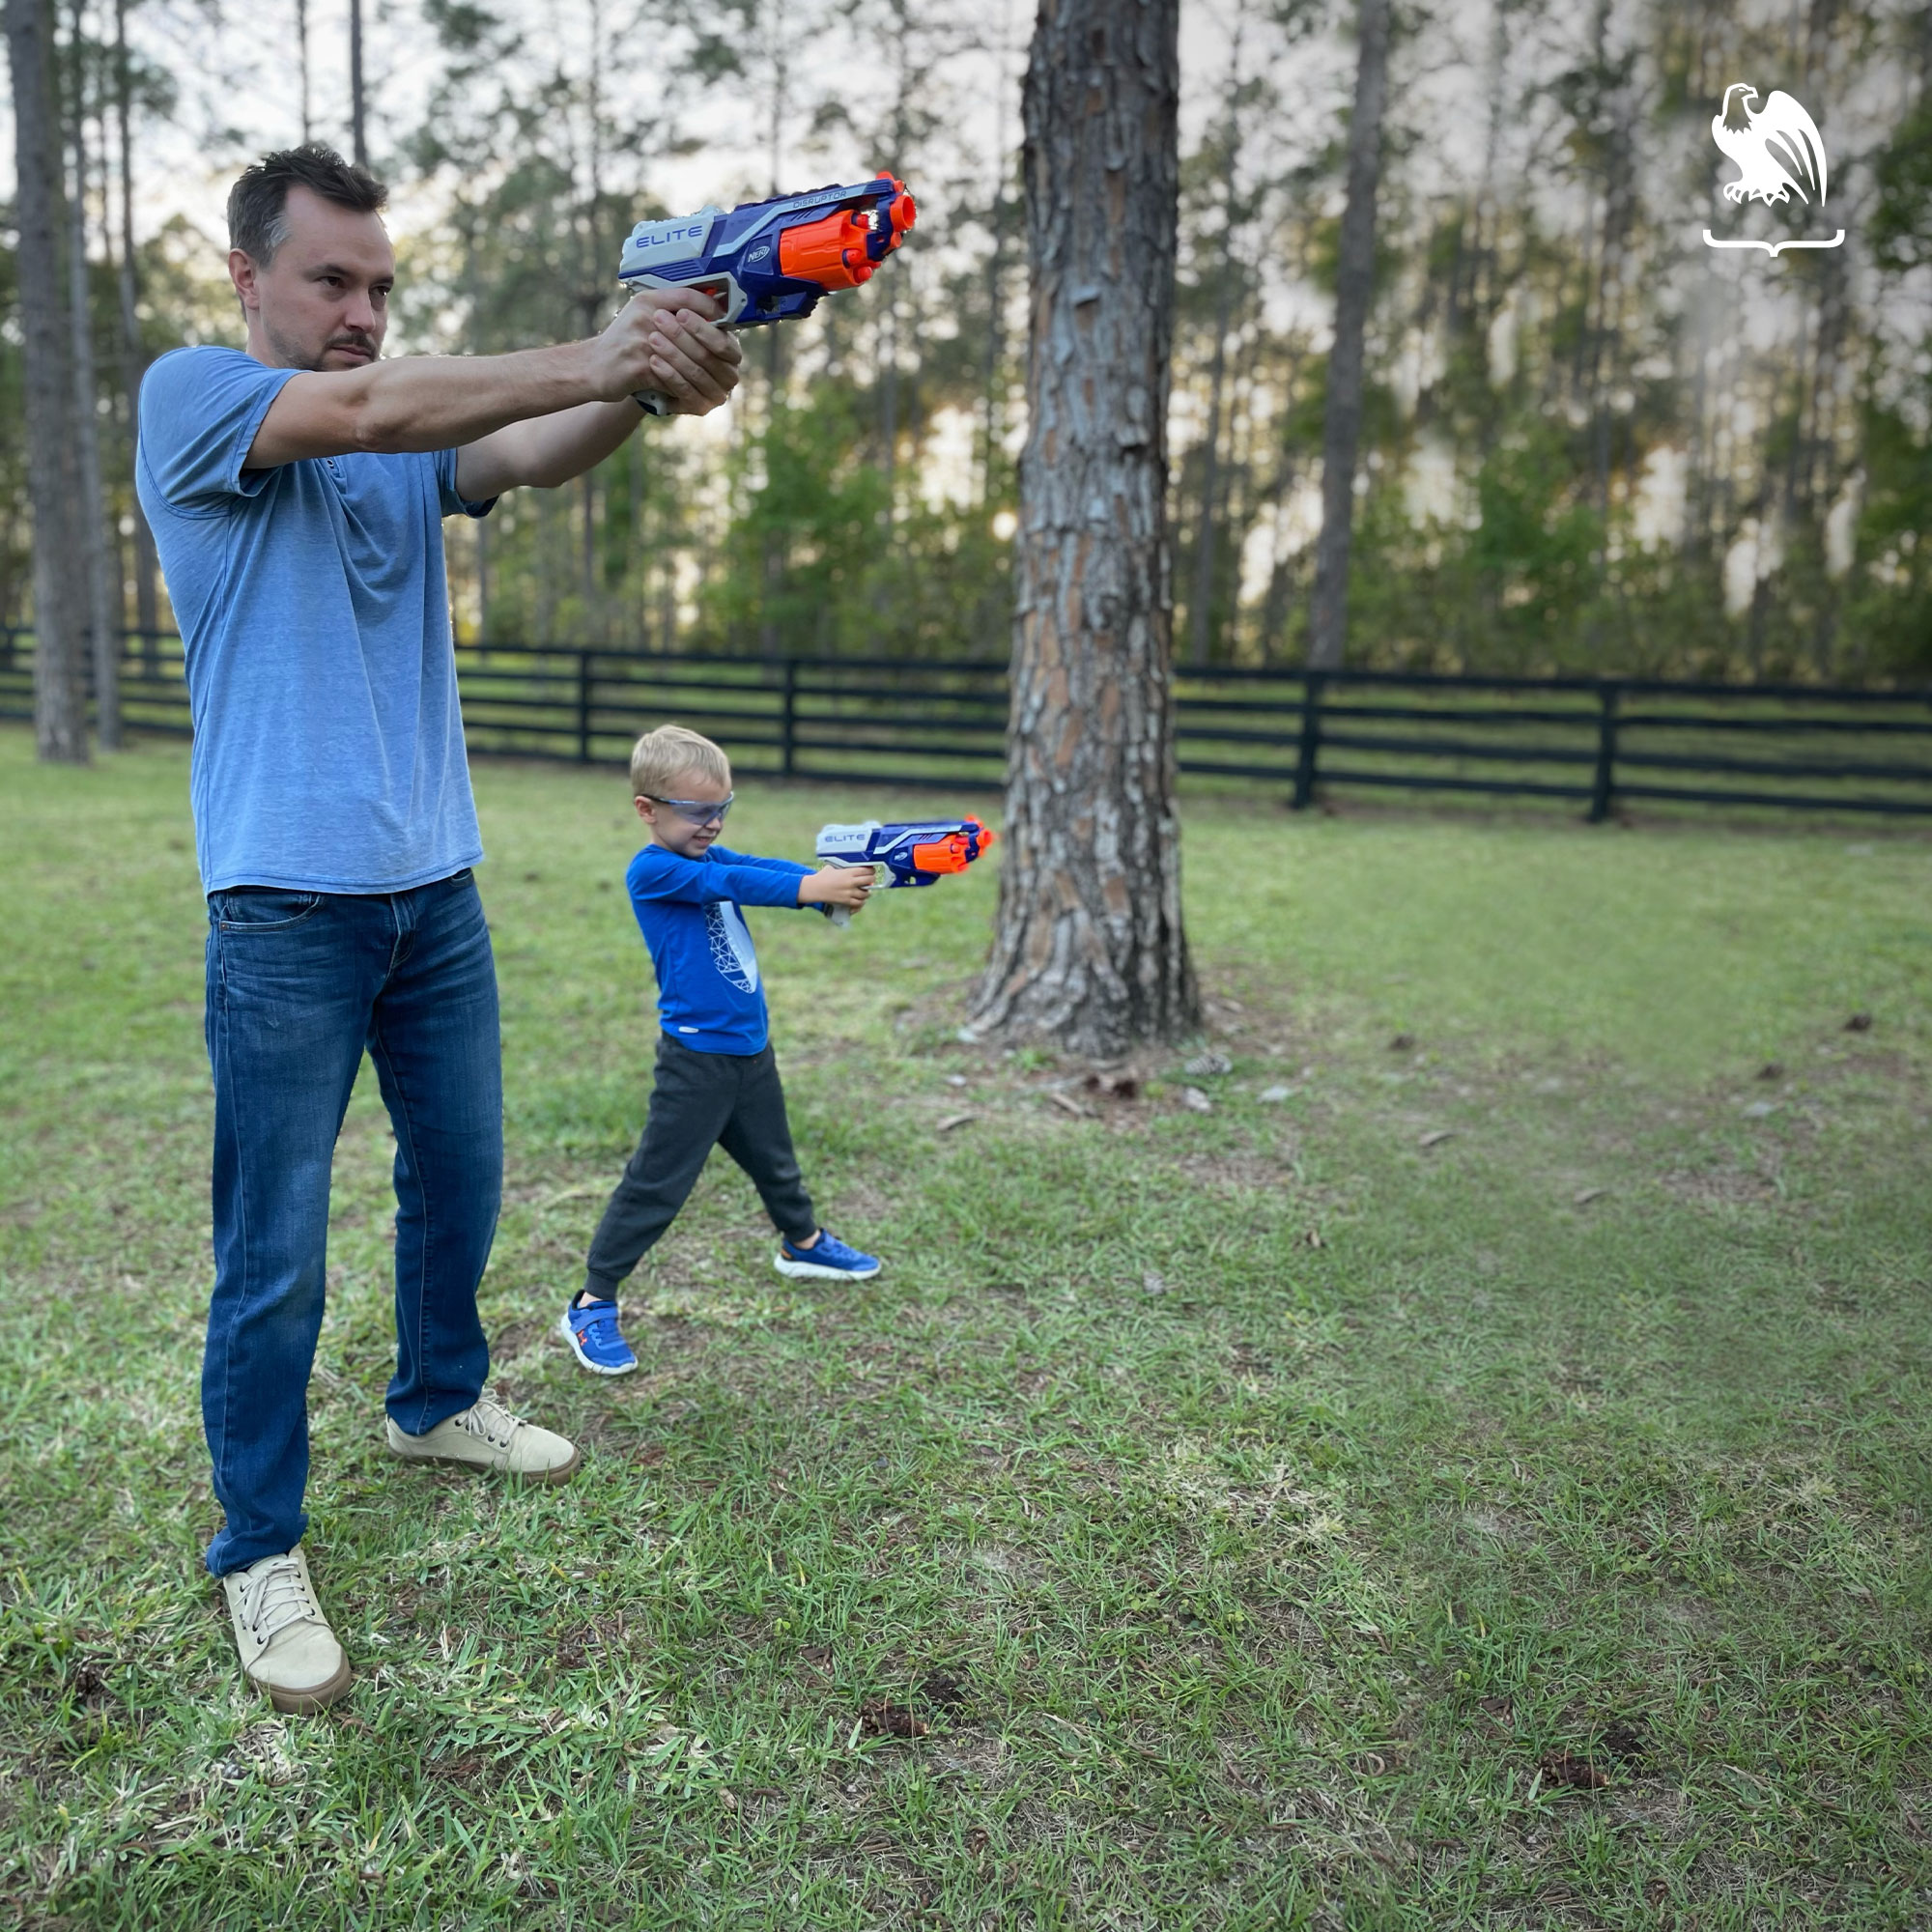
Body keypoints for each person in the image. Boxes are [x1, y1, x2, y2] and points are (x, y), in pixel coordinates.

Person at [134, 144, 744, 1715]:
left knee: (461, 1172)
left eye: (381, 287)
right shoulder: (196, 397)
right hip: (281, 904)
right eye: (332, 279)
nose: (361, 313)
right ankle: (258, 1549)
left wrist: (660, 366)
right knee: (271, 1251)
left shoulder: (405, 432)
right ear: (247, 278)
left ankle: (437, 1401)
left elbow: (534, 446)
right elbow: (361, 413)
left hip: (435, 891)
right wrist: (603, 345)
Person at [559, 725, 883, 1378]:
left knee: (775, 1159)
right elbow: (735, 882)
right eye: (699, 810)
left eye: (723, 807)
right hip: (696, 1063)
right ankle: (591, 1303)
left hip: (748, 1050)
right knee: (657, 1183)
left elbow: (755, 867)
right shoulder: (654, 869)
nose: (713, 823)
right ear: (648, 809)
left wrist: (821, 882)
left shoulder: (706, 854)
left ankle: (804, 1244)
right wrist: (808, 892)